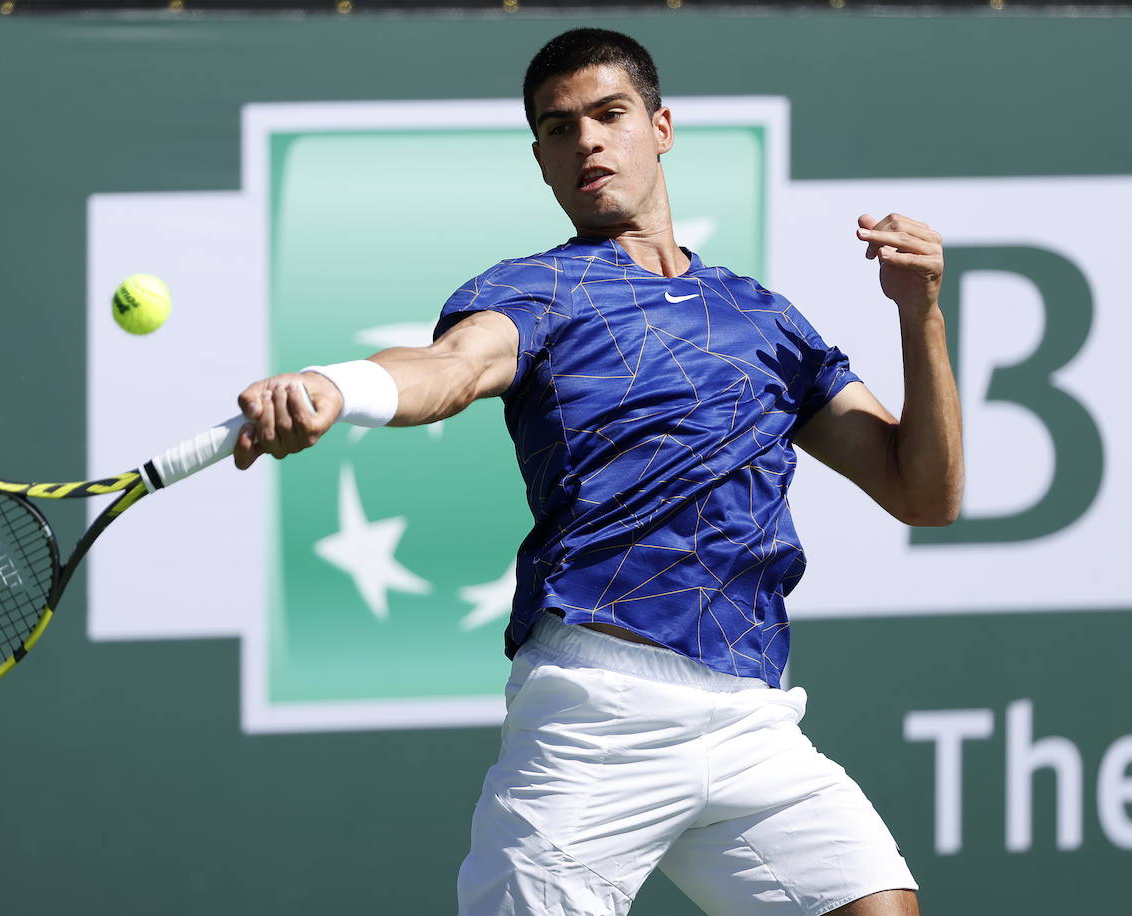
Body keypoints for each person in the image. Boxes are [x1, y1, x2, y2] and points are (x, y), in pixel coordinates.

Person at [233, 28, 961, 916]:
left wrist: (919, 314)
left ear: (660, 127)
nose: (586, 141)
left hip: (750, 715)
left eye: (609, 115)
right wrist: (335, 388)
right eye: (558, 127)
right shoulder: (535, 290)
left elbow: (924, 493)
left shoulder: (765, 320)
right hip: (597, 712)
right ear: (540, 159)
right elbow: (454, 367)